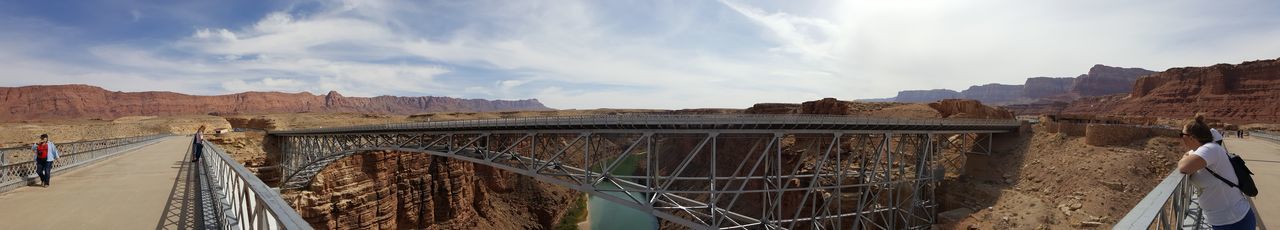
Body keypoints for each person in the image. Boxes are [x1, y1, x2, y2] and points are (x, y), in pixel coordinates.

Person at [1178, 114, 1255, 229]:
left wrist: (1184, 158)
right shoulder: (1202, 150)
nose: (1180, 137)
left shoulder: (1210, 149)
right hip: (1222, 220)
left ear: (1192, 137)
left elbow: (1183, 167)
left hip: (1234, 222)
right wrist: (1188, 154)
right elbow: (1190, 156)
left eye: (1182, 134)